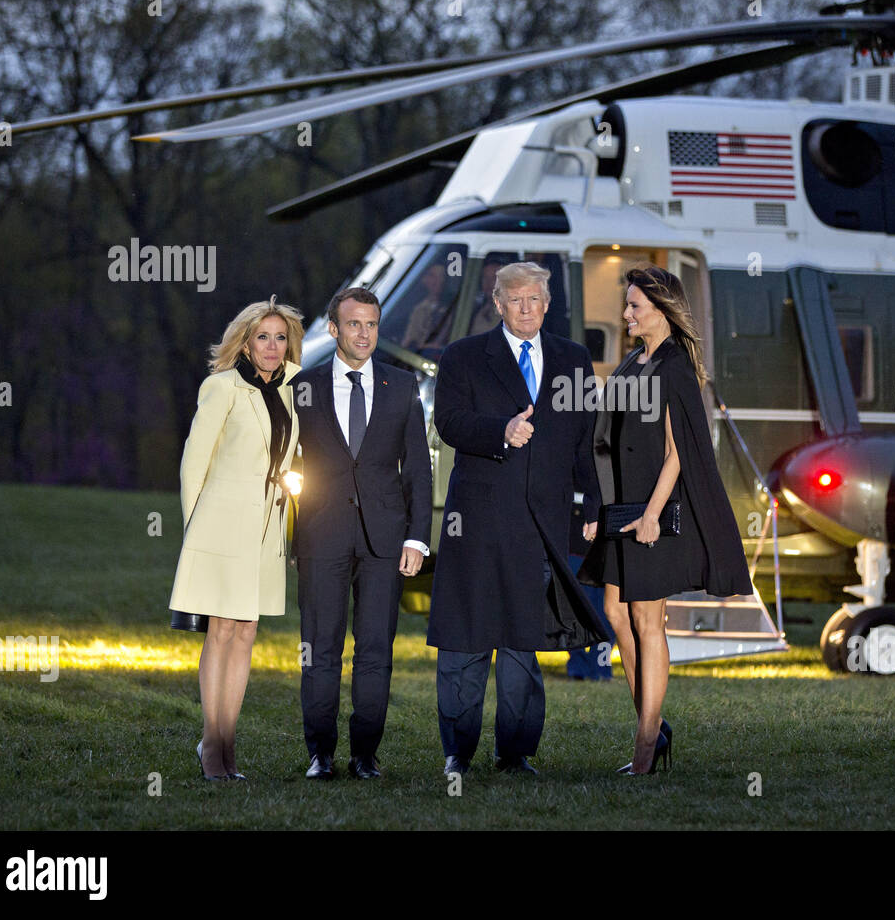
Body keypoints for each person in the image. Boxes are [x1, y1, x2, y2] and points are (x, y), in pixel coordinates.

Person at [427, 261, 606, 776]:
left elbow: (583, 439)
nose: (526, 308)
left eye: (535, 299)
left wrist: (591, 504)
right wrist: (501, 432)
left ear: (547, 305)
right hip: (477, 522)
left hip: (541, 525)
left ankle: (516, 752)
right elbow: (449, 422)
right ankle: (457, 752)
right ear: (497, 304)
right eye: (515, 299)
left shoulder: (573, 359)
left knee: (522, 642)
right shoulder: (463, 357)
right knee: (466, 637)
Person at [579, 266, 752, 775]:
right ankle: (653, 727)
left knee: (646, 620)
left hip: (655, 510)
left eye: (634, 306)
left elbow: (679, 452)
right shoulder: (635, 361)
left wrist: (652, 514)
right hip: (623, 509)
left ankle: (645, 746)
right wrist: (601, 512)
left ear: (661, 309)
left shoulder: (675, 366)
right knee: (615, 613)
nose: (626, 314)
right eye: (627, 305)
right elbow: (608, 440)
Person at [290, 287, 432, 780]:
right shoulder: (304, 387)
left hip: (385, 541)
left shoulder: (402, 384)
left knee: (376, 650)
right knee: (320, 649)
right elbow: (283, 460)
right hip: (320, 535)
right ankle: (320, 754)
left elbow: (418, 467)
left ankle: (365, 755)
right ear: (334, 330)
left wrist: (417, 538)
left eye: (371, 324)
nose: (365, 334)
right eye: (354, 325)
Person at [169, 296, 304, 781]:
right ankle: (212, 743)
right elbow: (193, 463)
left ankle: (227, 742)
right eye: (263, 337)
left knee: (246, 632)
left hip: (267, 530)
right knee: (222, 630)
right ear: (245, 342)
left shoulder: (292, 390)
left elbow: (293, 462)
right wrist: (194, 534)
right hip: (221, 527)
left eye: (280, 337)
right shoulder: (221, 387)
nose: (272, 346)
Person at [401, 263, 454, 351]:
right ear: (424, 280)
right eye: (433, 276)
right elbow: (408, 340)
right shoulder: (418, 308)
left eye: (441, 277)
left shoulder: (452, 309)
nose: (438, 281)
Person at [468, 258, 504, 335]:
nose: (488, 282)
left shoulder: (508, 313)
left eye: (493, 278)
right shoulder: (476, 308)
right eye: (485, 277)